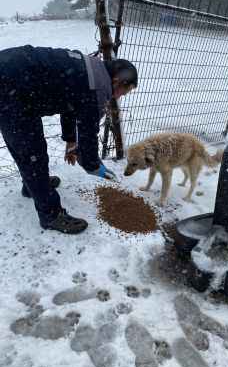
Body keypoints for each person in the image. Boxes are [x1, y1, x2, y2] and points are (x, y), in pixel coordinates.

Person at [0, 45, 138, 234]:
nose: (120, 97)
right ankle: (51, 215)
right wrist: (94, 166)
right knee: (32, 153)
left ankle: (32, 186)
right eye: (125, 92)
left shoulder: (91, 69)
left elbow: (70, 104)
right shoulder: (98, 87)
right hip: (10, 88)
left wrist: (71, 141)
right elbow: (88, 132)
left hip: (15, 80)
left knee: (31, 148)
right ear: (117, 81)